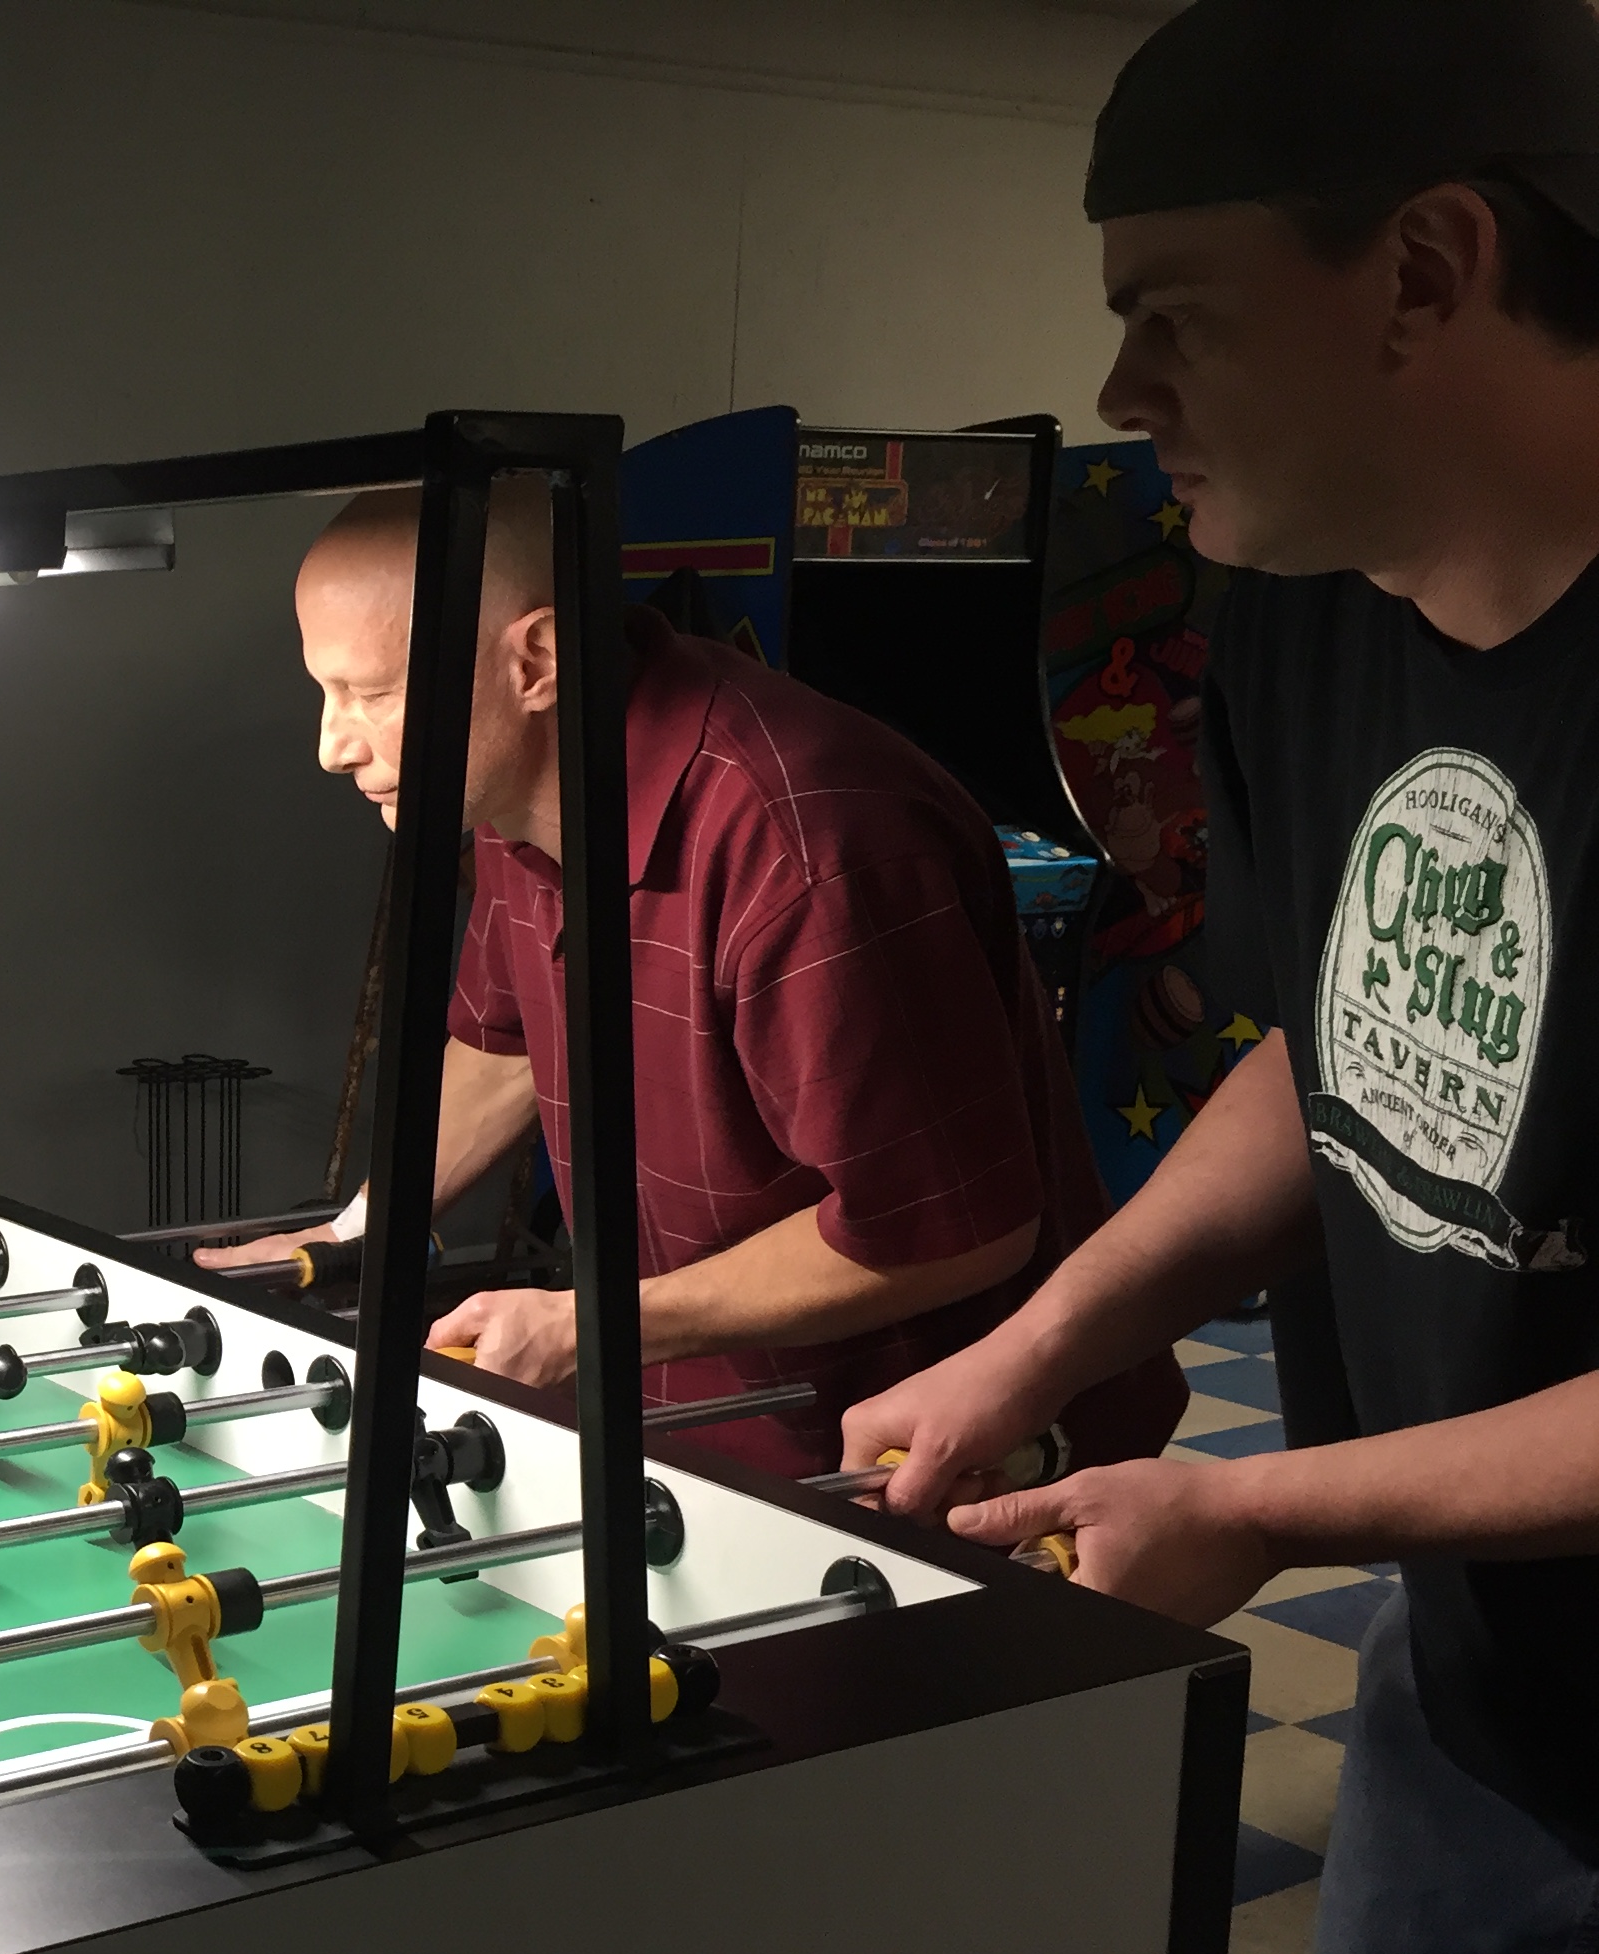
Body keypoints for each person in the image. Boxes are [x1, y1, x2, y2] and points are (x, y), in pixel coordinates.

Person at [845, 3, 1599, 1954]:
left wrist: (1254, 1503)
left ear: (1427, 270)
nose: (1120, 385)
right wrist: (1035, 1339)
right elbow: (1333, 1047)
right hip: (1496, 1668)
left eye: (1173, 305)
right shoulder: (1309, 596)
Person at [205, 487, 1183, 1480]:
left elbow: (952, 1237)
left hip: (937, 1449)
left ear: (534, 662)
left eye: (371, 694)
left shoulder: (807, 846)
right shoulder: (518, 785)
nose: (334, 745)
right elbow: (507, 1050)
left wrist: (591, 1327)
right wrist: (357, 1232)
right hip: (696, 1408)